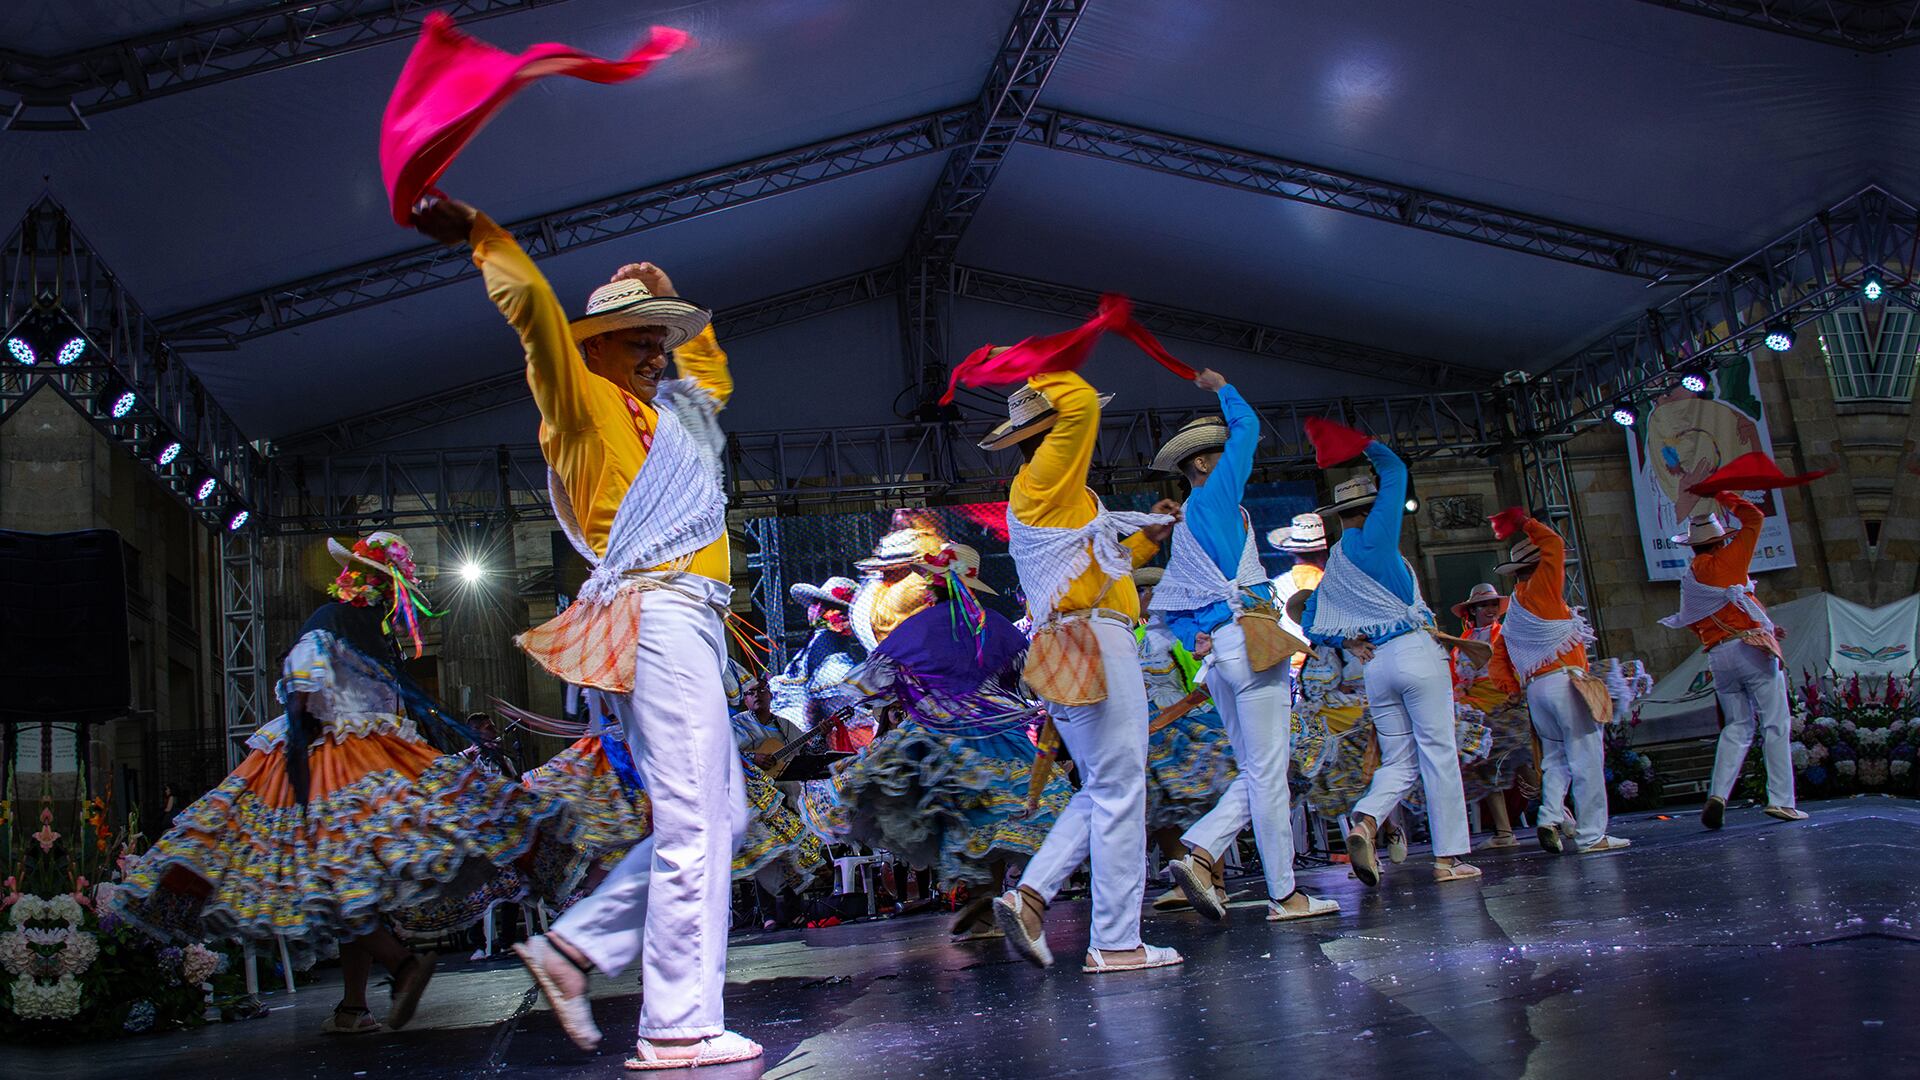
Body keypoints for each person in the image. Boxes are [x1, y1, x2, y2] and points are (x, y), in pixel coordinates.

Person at [413, 194, 759, 1069]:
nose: (654, 351)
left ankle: (572, 951)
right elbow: (534, 319)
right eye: (638, 338)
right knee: (692, 821)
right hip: (658, 609)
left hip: (695, 621)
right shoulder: (578, 402)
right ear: (593, 346)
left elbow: (709, 382)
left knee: (723, 813)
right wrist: (484, 238)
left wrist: (670, 296)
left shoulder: (673, 419)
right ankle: (677, 1026)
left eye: (660, 338)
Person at [113, 533, 575, 1035]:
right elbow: (353, 692)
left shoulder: (333, 622)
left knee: (331, 873)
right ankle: (357, 1003)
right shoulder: (369, 630)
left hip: (334, 758)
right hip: (372, 756)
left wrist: (299, 737)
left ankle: (396, 968)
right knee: (355, 878)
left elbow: (303, 683)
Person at [984, 370, 1184, 974]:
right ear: (1048, 435)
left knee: (1104, 786)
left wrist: (1146, 539)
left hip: (1073, 640)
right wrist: (1060, 369)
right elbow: (1079, 414)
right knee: (1122, 789)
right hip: (1093, 640)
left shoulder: (1057, 494)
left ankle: (1033, 895)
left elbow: (1099, 571)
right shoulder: (1045, 476)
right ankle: (1118, 942)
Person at [811, 542, 1075, 936]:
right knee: (996, 812)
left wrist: (923, 695)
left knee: (963, 813)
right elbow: (1023, 678)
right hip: (995, 725)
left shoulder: (922, 626)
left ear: (934, 586)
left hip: (939, 727)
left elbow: (887, 680)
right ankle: (986, 900)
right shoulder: (991, 624)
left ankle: (983, 900)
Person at [1148, 375, 1336, 924]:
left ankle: (1278, 889)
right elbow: (1250, 427)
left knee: (1261, 771)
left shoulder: (1186, 528)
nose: (1234, 458)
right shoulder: (1214, 498)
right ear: (1204, 465)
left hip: (1224, 656)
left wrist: (1198, 639)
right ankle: (1213, 854)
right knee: (1267, 772)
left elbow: (1173, 610)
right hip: (1250, 645)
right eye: (1222, 453)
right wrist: (1225, 388)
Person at [1302, 437, 1479, 886]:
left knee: (1399, 758)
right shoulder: (1376, 540)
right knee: (1438, 754)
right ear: (1371, 507)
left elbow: (1309, 620)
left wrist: (1349, 643)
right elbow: (1396, 470)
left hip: (1376, 665)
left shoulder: (1337, 562)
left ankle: (1366, 820)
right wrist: (1368, 444)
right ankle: (1450, 857)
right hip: (1415, 653)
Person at [1489, 514, 1631, 854]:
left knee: (1554, 759)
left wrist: (1510, 689)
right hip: (1565, 683)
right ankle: (1591, 836)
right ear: (1539, 564)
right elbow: (1554, 543)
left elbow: (1499, 656)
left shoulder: (1516, 610)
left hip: (1537, 690)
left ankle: (1549, 816)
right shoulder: (1544, 588)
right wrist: (1527, 523)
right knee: (1586, 758)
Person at [1661, 494, 1805, 828]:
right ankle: (1782, 801)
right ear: (1720, 542)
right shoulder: (1727, 562)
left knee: (1737, 726)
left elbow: (1701, 621)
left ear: (1693, 547)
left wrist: (1762, 626)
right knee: (1775, 723)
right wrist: (1724, 495)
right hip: (1749, 650)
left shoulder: (1691, 580)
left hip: (1719, 657)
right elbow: (1754, 518)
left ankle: (1718, 795)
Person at [1131, 566, 1237, 913]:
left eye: (1135, 593)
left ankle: (1213, 881)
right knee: (1159, 806)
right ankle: (1185, 877)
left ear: (1148, 595)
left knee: (1197, 799)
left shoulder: (1178, 633)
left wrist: (1168, 716)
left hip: (1184, 726)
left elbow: (1203, 684)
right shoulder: (1136, 637)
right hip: (1151, 732)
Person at [1449, 584, 1531, 851]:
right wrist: (1459, 689)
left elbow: (1519, 664)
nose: (1491, 610)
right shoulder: (1462, 643)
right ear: (1473, 610)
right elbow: (1456, 677)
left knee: (1524, 762)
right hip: (1476, 708)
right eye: (1484, 605)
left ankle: (1557, 813)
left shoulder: (1505, 635)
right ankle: (1504, 831)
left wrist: (1516, 692)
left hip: (1504, 702)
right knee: (1485, 765)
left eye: (1494, 605)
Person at [769, 576, 867, 746]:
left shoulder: (824, 641)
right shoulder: (825, 644)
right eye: (818, 604)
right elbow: (816, 705)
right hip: (800, 727)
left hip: (797, 725)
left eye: (823, 605)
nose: (816, 609)